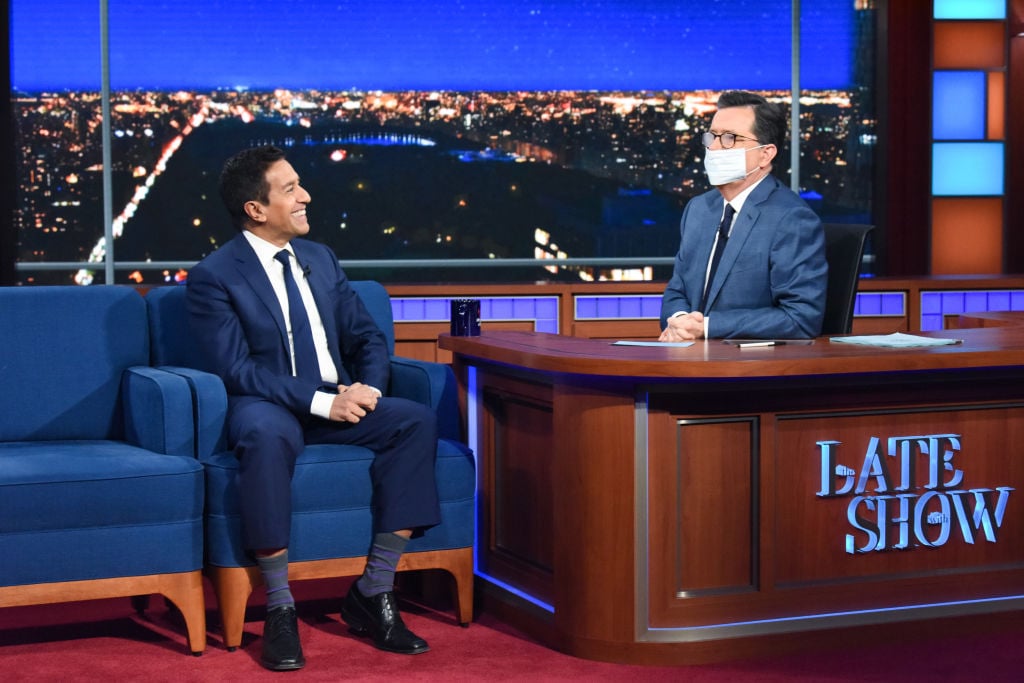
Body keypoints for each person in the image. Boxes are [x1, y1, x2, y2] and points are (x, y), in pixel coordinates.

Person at [186, 145, 440, 671]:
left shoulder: (320, 258)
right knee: (264, 434)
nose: (306, 196)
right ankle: (280, 608)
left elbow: (366, 336)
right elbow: (237, 370)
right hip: (270, 404)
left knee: (414, 420)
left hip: (340, 398)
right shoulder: (215, 275)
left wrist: (367, 390)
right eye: (290, 189)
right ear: (256, 209)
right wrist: (324, 401)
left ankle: (373, 591)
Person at [659, 90, 827, 341]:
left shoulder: (792, 219)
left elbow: (800, 318)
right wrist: (681, 320)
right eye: (711, 137)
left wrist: (707, 327)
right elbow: (677, 290)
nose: (714, 147)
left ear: (765, 154)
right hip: (689, 355)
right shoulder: (698, 209)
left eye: (730, 138)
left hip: (750, 361)